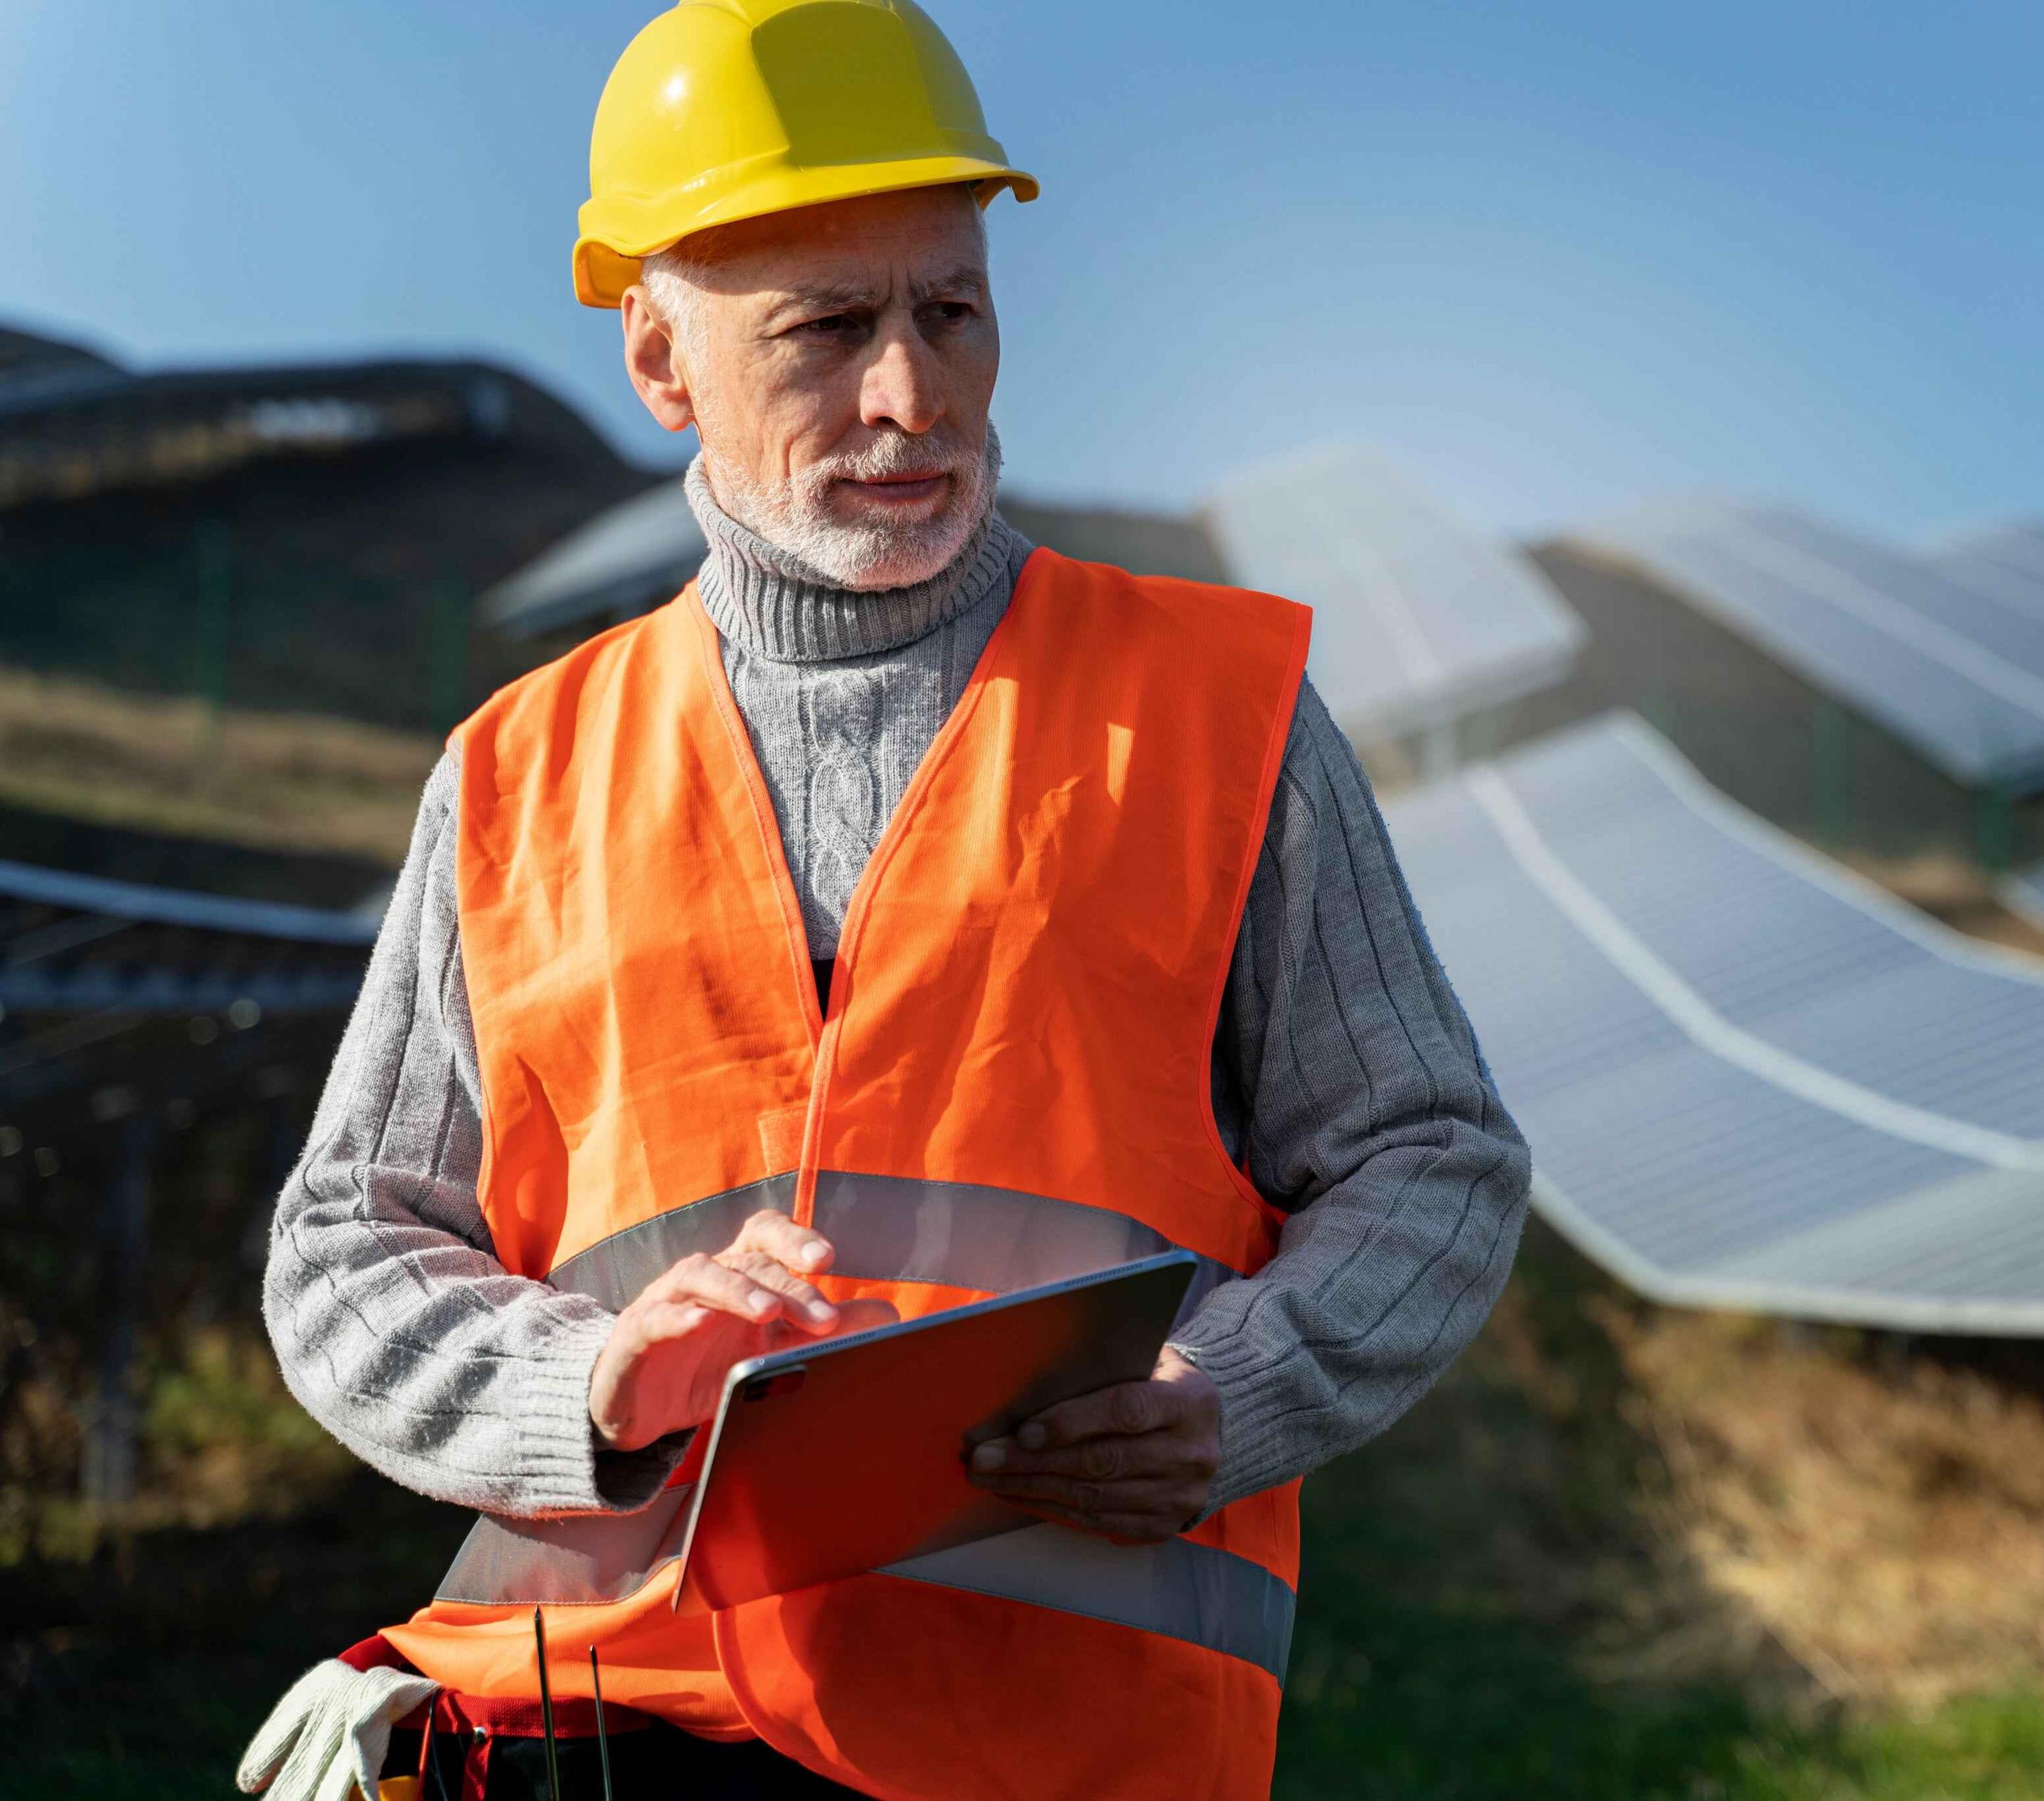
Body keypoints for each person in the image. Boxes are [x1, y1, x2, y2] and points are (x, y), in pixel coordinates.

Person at [244, 4, 1529, 1797]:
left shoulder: (1220, 713)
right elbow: (340, 1254)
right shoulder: (514, 772)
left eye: (951, 308)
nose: (911, 394)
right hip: (601, 1738)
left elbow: (1435, 1153)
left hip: (1065, 1752)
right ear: (659, 357)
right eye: (829, 330)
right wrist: (595, 1386)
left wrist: (1233, 1393)